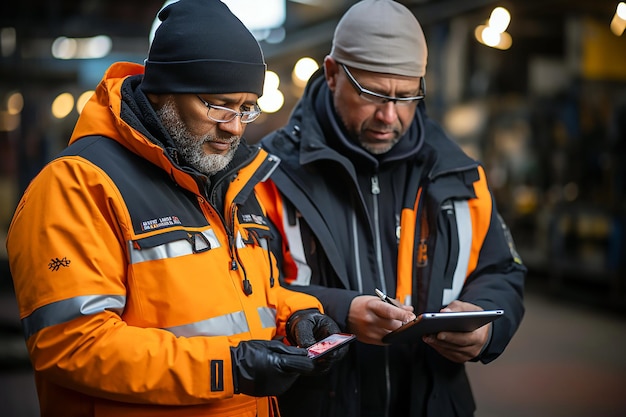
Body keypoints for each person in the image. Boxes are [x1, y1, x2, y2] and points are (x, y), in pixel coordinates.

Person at [5, 1, 345, 416]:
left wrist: (297, 317)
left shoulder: (228, 179)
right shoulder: (78, 186)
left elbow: (243, 297)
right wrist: (229, 368)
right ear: (165, 91)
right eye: (218, 104)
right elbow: (73, 344)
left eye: (245, 108)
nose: (235, 126)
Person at [256, 0, 527, 416]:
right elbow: (244, 292)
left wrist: (488, 326)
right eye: (373, 94)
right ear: (331, 74)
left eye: (406, 96)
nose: (389, 115)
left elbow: (502, 270)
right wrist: (339, 310)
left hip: (431, 401)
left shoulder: (456, 173)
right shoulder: (270, 175)